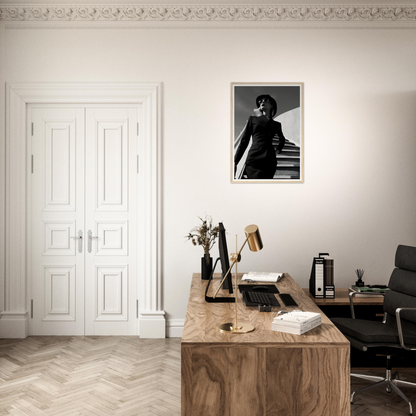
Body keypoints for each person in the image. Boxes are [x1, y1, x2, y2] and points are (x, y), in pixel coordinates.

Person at [234, 94, 286, 180]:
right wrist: (235, 161)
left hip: (270, 161)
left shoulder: (277, 125)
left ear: (272, 104)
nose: (261, 102)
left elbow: (282, 139)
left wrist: (278, 150)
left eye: (265, 100)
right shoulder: (253, 119)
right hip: (254, 160)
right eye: (260, 101)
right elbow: (244, 141)